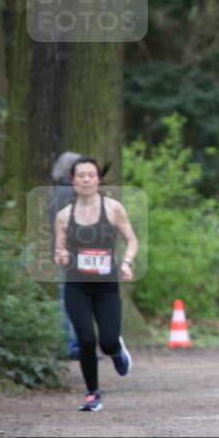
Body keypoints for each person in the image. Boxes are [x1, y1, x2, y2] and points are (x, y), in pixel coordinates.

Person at [54, 157, 137, 412]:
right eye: (81, 175)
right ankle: (93, 394)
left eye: (91, 175)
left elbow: (132, 240)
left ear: (98, 179)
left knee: (108, 342)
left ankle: (117, 350)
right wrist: (62, 255)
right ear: (73, 180)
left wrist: (126, 263)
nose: (86, 179)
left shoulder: (113, 208)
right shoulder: (64, 215)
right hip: (77, 286)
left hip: (106, 286)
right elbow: (59, 249)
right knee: (86, 340)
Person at [49, 151, 84, 359]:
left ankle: (70, 343)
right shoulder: (71, 194)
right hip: (75, 254)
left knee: (68, 299)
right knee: (72, 301)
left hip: (64, 253)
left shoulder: (56, 193)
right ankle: (72, 345)